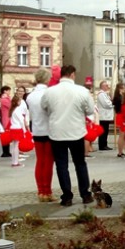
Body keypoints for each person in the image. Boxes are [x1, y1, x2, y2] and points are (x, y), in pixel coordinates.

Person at [42, 64, 96, 206]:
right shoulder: (82, 91)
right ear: (72, 74)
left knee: (61, 165)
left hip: (57, 133)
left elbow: (44, 107)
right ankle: (85, 194)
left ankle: (67, 196)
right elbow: (90, 110)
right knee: (80, 164)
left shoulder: (50, 91)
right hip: (76, 132)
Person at [27, 68, 54, 201]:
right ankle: (47, 191)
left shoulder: (31, 95)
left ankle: (40, 191)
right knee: (48, 162)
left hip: (37, 130)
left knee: (40, 161)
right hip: (49, 130)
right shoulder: (48, 93)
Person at [8, 90, 29, 167]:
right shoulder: (17, 110)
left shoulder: (12, 110)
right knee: (16, 146)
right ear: (17, 102)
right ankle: (15, 162)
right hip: (18, 128)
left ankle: (14, 161)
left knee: (14, 145)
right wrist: (24, 130)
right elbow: (21, 121)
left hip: (13, 128)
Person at [95, 80, 114, 151]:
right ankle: (102, 145)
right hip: (103, 116)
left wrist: (111, 102)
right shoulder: (101, 94)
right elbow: (106, 104)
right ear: (102, 86)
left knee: (105, 131)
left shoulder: (105, 94)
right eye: (106, 85)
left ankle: (104, 144)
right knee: (103, 131)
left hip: (106, 116)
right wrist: (112, 103)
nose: (107, 87)